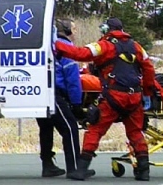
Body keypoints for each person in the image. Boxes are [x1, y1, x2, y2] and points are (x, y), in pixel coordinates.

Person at [54, 17, 156, 181]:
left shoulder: (104, 45)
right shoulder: (137, 47)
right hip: (135, 97)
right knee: (136, 133)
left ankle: (81, 169)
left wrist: (56, 45)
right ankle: (144, 171)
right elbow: (149, 68)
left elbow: (81, 54)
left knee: (95, 130)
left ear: (107, 30)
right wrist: (148, 92)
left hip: (114, 97)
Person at [36, 19, 94, 178]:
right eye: (74, 28)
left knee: (46, 128)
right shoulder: (66, 48)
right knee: (70, 128)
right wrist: (76, 104)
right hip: (54, 94)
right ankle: (74, 168)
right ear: (67, 30)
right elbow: (73, 79)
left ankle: (47, 165)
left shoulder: (49, 45)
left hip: (39, 92)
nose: (75, 32)